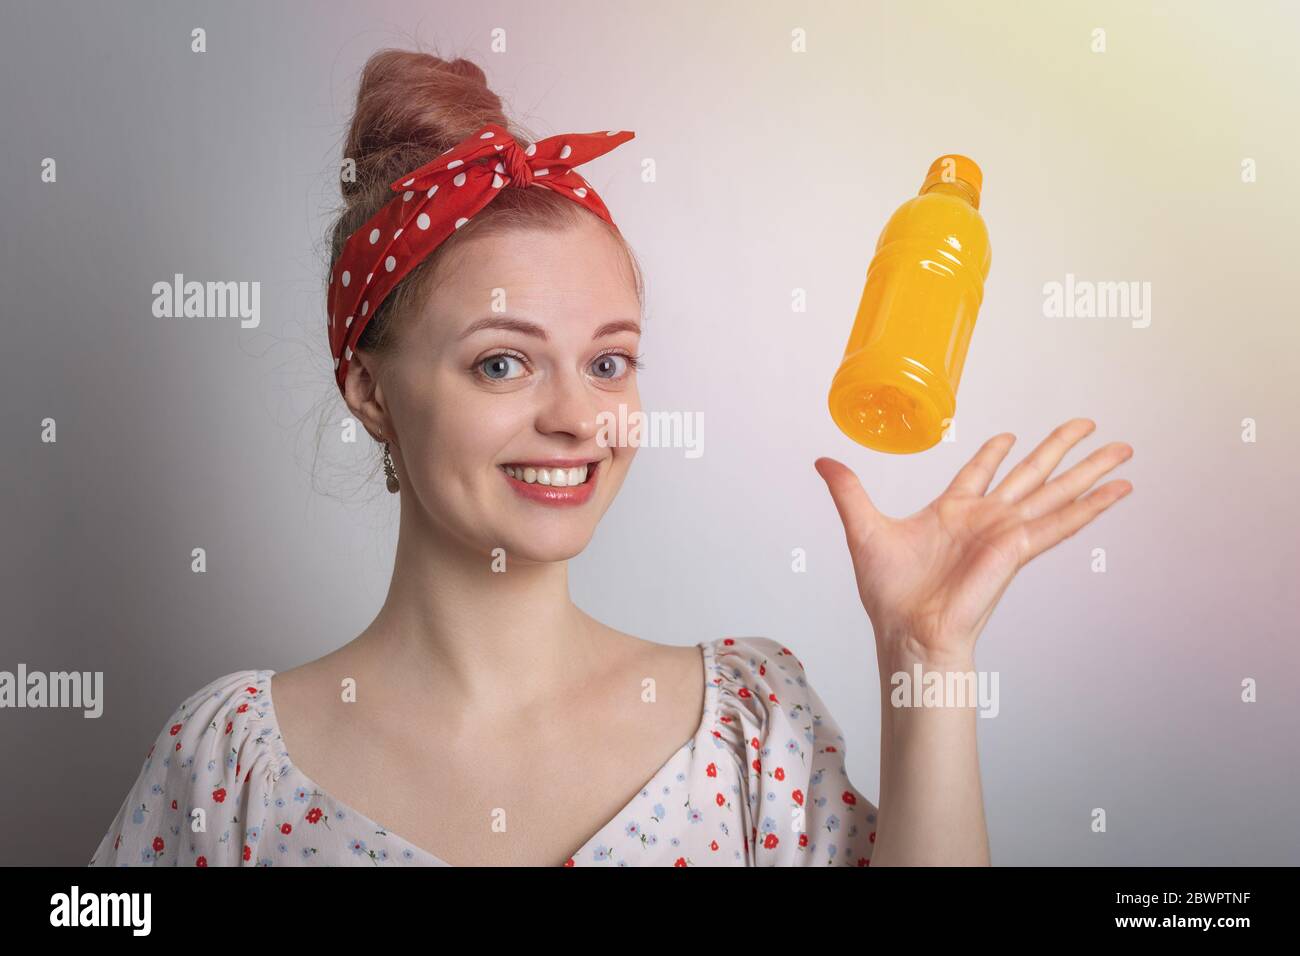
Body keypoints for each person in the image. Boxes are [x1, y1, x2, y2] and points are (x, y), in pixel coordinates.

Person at [89, 50, 1133, 867]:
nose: (577, 417)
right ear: (369, 390)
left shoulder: (752, 728)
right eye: (503, 363)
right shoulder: (226, 763)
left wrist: (926, 656)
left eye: (609, 361)